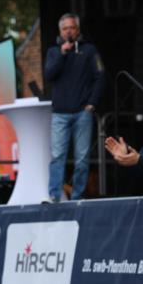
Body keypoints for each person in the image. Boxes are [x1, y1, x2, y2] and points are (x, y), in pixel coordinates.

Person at [44, 12, 105, 201]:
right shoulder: (53, 52)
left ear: (78, 30)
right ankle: (55, 196)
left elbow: (101, 76)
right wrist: (62, 54)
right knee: (57, 156)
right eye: (65, 29)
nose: (69, 31)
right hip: (59, 114)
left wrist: (92, 103)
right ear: (60, 31)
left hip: (82, 112)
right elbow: (48, 75)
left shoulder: (89, 50)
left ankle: (77, 196)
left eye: (72, 28)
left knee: (82, 158)